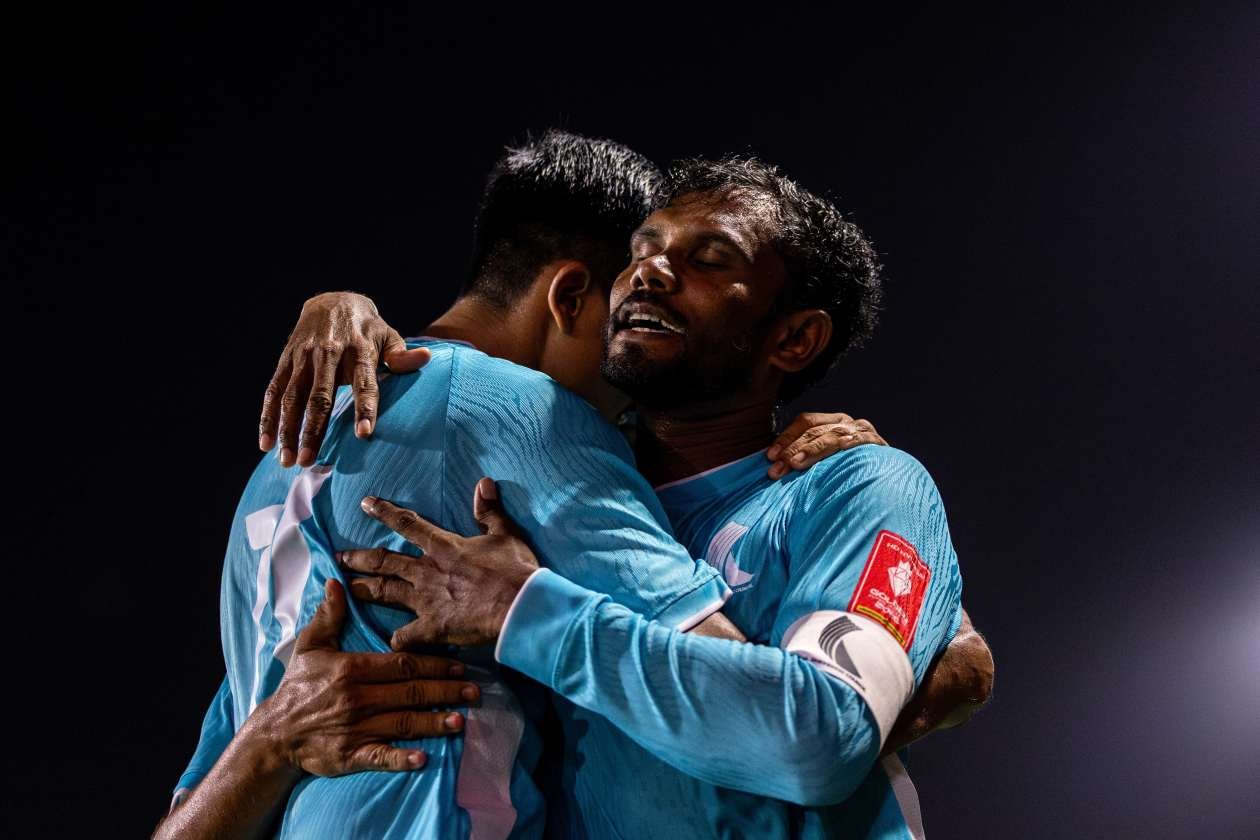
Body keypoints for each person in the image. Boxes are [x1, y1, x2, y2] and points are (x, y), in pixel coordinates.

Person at [158, 132, 991, 839]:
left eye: (707, 259)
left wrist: (524, 609)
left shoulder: (853, 484)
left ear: (796, 338)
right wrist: (268, 741)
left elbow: (824, 731)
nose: (650, 272)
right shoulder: (526, 491)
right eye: (640, 252)